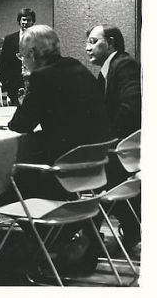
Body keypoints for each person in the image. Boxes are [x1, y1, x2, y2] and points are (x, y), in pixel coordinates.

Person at [8, 25, 115, 275]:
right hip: (95, 166)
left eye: (22, 55)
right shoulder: (76, 66)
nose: (22, 61)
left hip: (66, 171)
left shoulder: (43, 76)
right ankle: (68, 234)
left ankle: (51, 243)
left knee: (8, 178)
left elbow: (20, 124)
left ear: (33, 54)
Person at [86, 24, 142, 248]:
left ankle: (86, 237)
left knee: (94, 174)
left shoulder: (124, 64)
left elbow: (130, 107)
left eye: (93, 42)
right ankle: (126, 232)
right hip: (120, 152)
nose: (87, 48)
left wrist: (109, 141)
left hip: (123, 149)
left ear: (110, 43)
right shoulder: (110, 69)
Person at [0, 8, 36, 105]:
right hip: (13, 86)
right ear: (19, 21)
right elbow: (4, 65)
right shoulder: (9, 39)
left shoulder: (39, 39)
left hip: (33, 84)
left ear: (33, 22)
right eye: (23, 20)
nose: (26, 22)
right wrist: (4, 89)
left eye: (29, 20)